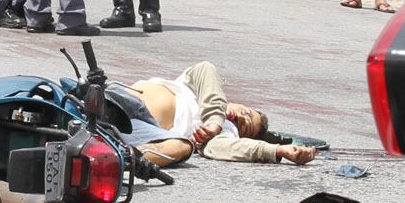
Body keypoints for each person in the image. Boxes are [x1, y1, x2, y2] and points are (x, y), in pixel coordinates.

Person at [129, 62, 318, 169]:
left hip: (134, 132)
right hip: (118, 100)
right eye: (246, 112)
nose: (242, 118)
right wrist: (214, 122)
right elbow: (205, 68)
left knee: (183, 147)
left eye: (245, 126)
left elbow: (229, 148)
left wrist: (277, 151)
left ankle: (122, 161)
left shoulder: (222, 135)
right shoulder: (198, 88)